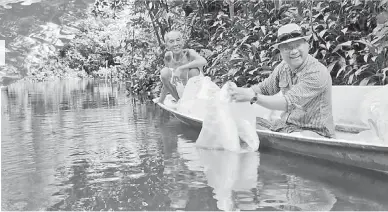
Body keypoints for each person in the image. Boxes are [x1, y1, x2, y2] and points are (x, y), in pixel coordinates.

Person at [230, 23, 335, 138]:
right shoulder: (283, 67)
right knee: (242, 123)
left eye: (297, 45)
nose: (294, 51)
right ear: (280, 51)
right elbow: (264, 88)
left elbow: (286, 104)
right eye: (287, 48)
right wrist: (237, 93)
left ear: (307, 45)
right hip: (286, 127)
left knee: (300, 137)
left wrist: (253, 97)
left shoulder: (317, 72)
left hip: (315, 132)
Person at [158, 30, 208, 104]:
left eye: (178, 40)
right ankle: (179, 102)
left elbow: (204, 61)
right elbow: (165, 81)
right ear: (167, 46)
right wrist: (161, 101)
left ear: (182, 42)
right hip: (182, 93)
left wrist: (181, 68)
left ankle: (193, 103)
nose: (176, 44)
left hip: (199, 94)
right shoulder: (168, 56)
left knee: (193, 71)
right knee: (164, 71)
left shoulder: (189, 53)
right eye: (171, 41)